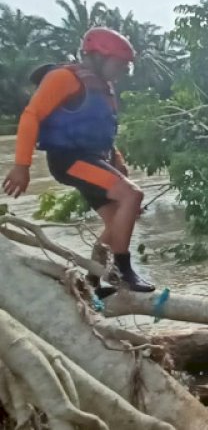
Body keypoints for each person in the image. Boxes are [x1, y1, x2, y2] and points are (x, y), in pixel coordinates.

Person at [2, 27, 155, 292]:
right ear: (98, 57)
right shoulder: (64, 77)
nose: (122, 71)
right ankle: (123, 271)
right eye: (119, 64)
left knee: (118, 216)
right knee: (132, 196)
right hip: (69, 159)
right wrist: (22, 165)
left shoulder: (103, 87)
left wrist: (116, 160)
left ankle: (92, 281)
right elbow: (31, 115)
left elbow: (102, 129)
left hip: (94, 159)